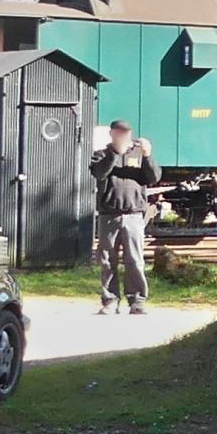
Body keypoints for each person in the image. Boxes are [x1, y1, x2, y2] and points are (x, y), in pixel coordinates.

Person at [90, 121, 160, 315]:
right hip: (109, 215)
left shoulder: (137, 153)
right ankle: (110, 300)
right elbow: (99, 173)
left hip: (133, 214)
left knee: (135, 260)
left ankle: (137, 301)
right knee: (107, 260)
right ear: (111, 134)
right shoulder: (101, 154)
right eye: (119, 133)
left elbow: (153, 177)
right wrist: (115, 153)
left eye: (126, 133)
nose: (123, 136)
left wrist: (148, 156)